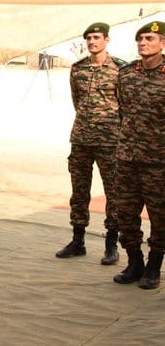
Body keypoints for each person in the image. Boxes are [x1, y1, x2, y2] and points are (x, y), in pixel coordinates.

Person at [55, 22, 123, 264]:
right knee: (79, 192)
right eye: (89, 38)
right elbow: (77, 102)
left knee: (113, 193)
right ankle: (78, 241)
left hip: (110, 141)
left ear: (106, 40)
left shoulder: (120, 69)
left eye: (97, 37)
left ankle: (111, 245)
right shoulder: (78, 69)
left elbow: (124, 105)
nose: (92, 42)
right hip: (81, 140)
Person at [112, 20, 165, 289]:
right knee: (125, 213)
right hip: (127, 159)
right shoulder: (126, 74)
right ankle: (135, 262)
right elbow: (122, 111)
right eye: (141, 39)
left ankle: (154, 267)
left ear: (162, 44)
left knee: (160, 217)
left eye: (150, 39)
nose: (143, 43)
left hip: (158, 162)